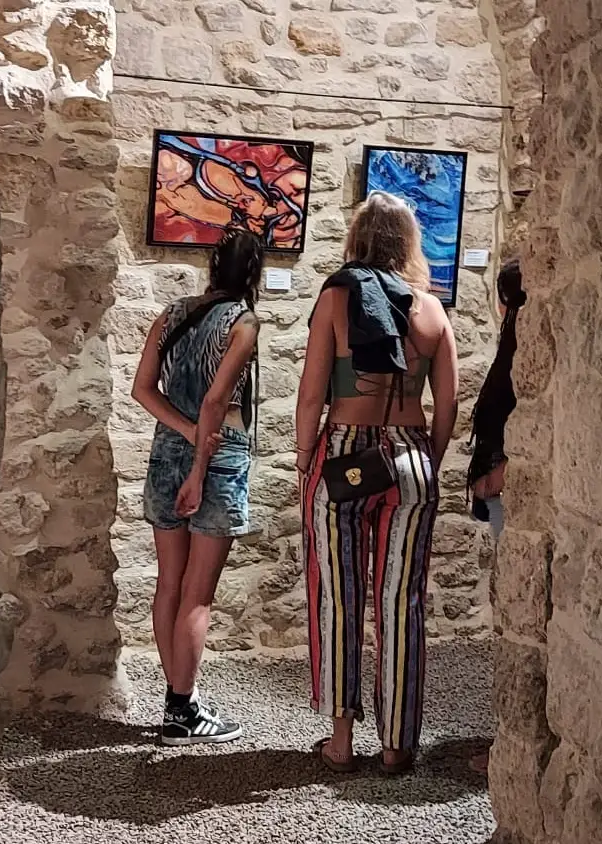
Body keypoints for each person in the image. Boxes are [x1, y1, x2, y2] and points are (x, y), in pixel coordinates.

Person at [294, 191, 459, 774]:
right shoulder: (432, 311)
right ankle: (396, 745)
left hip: (344, 454)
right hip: (411, 455)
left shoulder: (337, 298)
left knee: (337, 598)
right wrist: (428, 458)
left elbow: (312, 394)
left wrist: (304, 459)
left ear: (357, 240)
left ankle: (341, 742)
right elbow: (447, 406)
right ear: (409, 243)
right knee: (401, 602)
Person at [131, 229, 263, 745]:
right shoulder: (243, 322)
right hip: (217, 459)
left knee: (169, 583)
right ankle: (183, 711)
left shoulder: (171, 314)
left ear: (212, 266)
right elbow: (215, 402)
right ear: (253, 273)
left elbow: (144, 389)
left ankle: (177, 701)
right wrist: (199, 467)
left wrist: (183, 435)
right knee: (197, 594)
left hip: (166, 451)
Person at [464, 258, 526, 776]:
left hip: (512, 493)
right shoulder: (518, 343)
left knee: (516, 612)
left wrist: (498, 472)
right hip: (506, 492)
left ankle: (510, 744)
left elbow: (515, 415)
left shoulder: (522, 345)